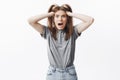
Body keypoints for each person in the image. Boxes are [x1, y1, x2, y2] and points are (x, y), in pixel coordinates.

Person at [28, 4, 94, 80]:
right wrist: (50, 14)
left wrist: (70, 14)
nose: (60, 19)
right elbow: (30, 21)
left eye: (63, 16)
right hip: (53, 74)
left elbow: (90, 20)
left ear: (67, 19)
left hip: (69, 73)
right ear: (53, 18)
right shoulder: (48, 32)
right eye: (57, 16)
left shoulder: (73, 32)